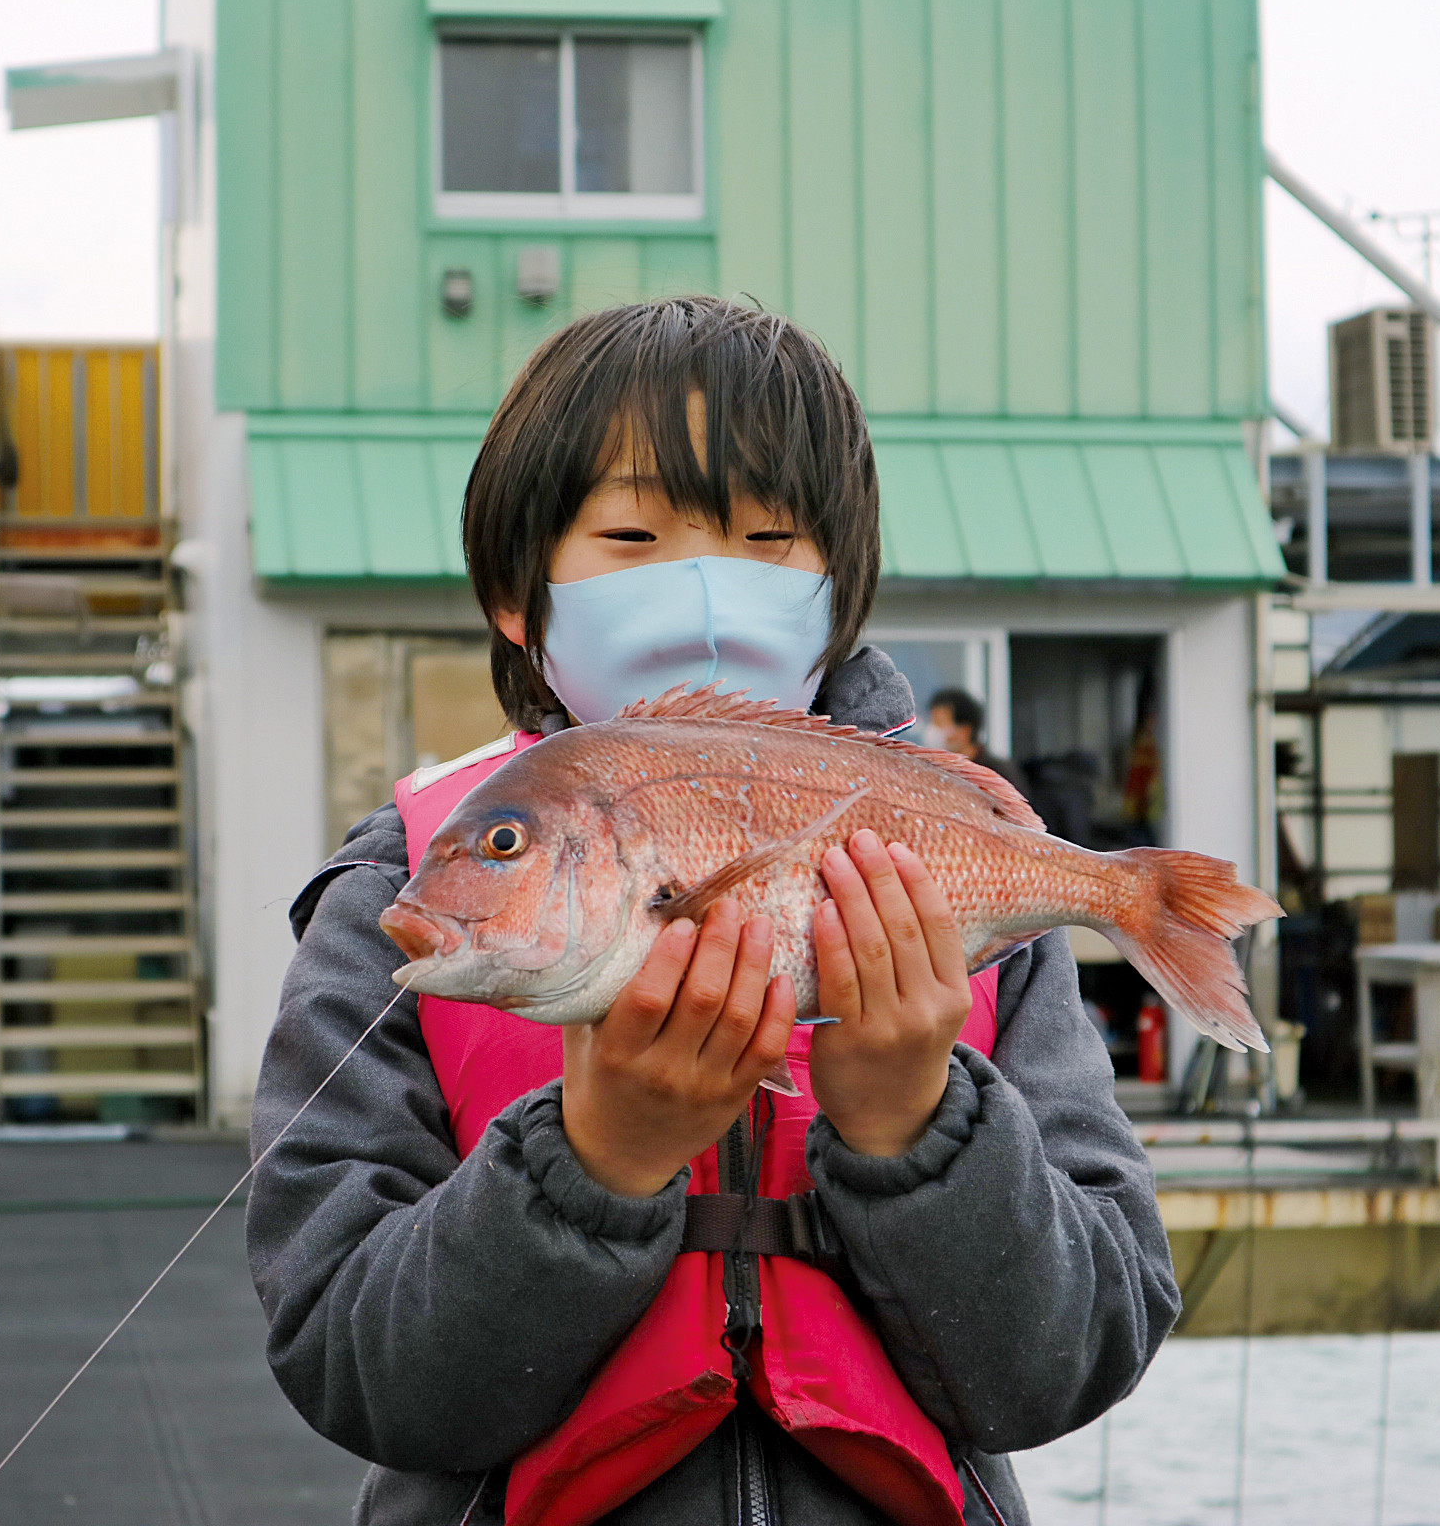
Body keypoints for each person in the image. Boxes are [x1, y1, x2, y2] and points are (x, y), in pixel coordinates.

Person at [250, 297, 1176, 1526]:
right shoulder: (394, 903)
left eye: (768, 536)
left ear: (837, 590)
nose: (703, 583)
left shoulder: (957, 881)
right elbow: (353, 1367)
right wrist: (596, 1161)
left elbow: (1078, 1357)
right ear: (516, 601)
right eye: (632, 531)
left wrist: (919, 1122)